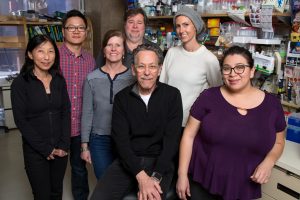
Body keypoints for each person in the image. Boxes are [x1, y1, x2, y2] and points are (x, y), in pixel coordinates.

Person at [176, 46, 286, 200]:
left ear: (252, 71)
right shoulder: (208, 97)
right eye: (227, 68)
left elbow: (279, 142)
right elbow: (188, 135)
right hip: (202, 181)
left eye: (240, 68)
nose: (233, 74)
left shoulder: (272, 105)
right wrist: (181, 175)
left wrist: (269, 162)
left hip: (244, 186)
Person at [90, 43, 183, 200]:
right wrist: (141, 177)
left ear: (160, 69)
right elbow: (121, 142)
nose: (147, 72)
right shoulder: (122, 98)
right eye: (141, 66)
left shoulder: (172, 96)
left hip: (160, 162)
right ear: (133, 69)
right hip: (128, 161)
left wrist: (154, 178)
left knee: (151, 197)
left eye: (152, 67)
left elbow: (172, 142)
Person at [11, 34, 70, 200]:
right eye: (40, 51)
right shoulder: (20, 83)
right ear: (30, 54)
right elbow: (20, 121)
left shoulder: (58, 80)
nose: (46, 56)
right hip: (35, 151)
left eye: (51, 51)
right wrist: (46, 149)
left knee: (56, 193)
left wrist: (64, 144)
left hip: (60, 149)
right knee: (42, 195)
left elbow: (66, 111)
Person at [80, 29, 135, 179]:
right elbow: (87, 113)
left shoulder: (133, 78)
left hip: (126, 139)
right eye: (109, 45)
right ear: (103, 50)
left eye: (118, 45)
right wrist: (85, 146)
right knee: (104, 182)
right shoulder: (92, 78)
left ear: (124, 51)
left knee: (124, 182)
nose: (113, 49)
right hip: (99, 140)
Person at [159, 6, 223, 128]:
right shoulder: (171, 52)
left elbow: (217, 95)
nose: (181, 30)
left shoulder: (208, 59)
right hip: (168, 121)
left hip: (193, 125)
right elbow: (162, 87)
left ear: (195, 26)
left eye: (186, 24)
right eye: (178, 26)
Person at [59, 9, 96, 200]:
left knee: (79, 170)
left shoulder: (90, 60)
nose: (76, 31)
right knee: (53, 171)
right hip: (57, 126)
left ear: (86, 32)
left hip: (81, 127)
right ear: (63, 31)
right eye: (71, 27)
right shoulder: (53, 56)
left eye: (81, 27)